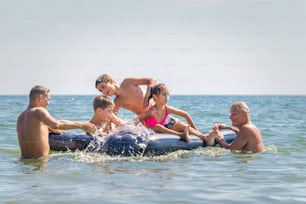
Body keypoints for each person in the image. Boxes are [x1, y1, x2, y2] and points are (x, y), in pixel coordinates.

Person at [16, 85, 97, 159]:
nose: (48, 103)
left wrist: (50, 128)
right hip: (41, 162)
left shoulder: (21, 117)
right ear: (40, 98)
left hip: (25, 163)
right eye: (47, 99)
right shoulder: (39, 110)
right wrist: (81, 125)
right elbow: (56, 124)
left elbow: (34, 129)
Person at [137, 83, 216, 144]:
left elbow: (186, 115)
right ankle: (181, 135)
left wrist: (196, 131)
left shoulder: (167, 109)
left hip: (162, 130)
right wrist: (143, 129)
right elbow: (138, 119)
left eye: (168, 94)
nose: (167, 97)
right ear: (155, 97)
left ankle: (204, 138)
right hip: (152, 130)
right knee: (158, 126)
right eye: (164, 94)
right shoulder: (151, 112)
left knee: (179, 124)